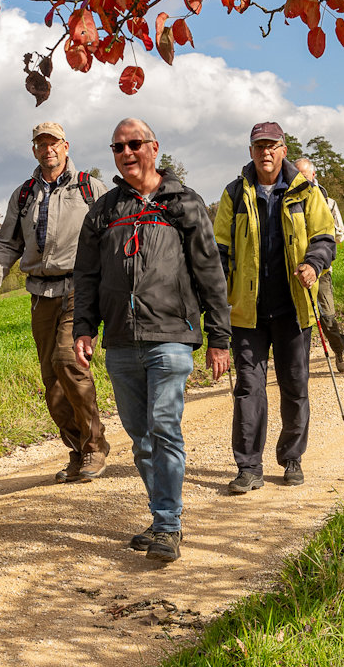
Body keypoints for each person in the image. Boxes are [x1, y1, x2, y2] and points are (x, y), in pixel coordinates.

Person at [74, 118, 231, 563]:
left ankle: (167, 524)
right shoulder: (103, 211)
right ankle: (162, 512)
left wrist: (219, 337)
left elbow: (210, 273)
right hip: (121, 341)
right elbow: (85, 277)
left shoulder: (183, 203)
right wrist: (83, 328)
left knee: (163, 426)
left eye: (134, 143)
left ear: (153, 148)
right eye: (118, 146)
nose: (126, 152)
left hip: (171, 336)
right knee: (141, 437)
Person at [0, 122, 112, 484]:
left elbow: (111, 235)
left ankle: (94, 447)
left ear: (66, 146)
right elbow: (7, 244)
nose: (48, 149)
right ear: (34, 150)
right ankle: (78, 450)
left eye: (53, 143)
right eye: (41, 144)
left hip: (80, 287)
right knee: (52, 380)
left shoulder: (90, 188)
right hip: (40, 293)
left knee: (67, 360)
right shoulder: (24, 195)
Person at [216, 125, 336, 494]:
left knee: (295, 385)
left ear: (283, 150)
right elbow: (220, 248)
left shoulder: (306, 191)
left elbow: (324, 238)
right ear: (250, 151)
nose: (265, 152)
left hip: (293, 308)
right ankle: (249, 466)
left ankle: (291, 457)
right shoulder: (234, 193)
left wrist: (313, 264)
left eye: (271, 146)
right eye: (258, 146)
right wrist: (216, 292)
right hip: (247, 312)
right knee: (249, 389)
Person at [293, 157, 344, 372]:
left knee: (327, 316)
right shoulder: (288, 199)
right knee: (297, 318)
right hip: (295, 269)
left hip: (322, 269)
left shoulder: (328, 202)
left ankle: (339, 347)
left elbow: (340, 234)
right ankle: (297, 367)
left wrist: (319, 244)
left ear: (313, 175)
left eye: (304, 175)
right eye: (297, 175)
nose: (301, 179)